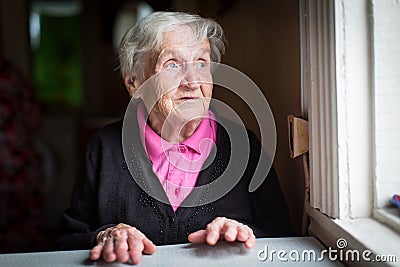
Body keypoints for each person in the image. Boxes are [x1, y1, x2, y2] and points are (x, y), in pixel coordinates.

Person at [58, 11, 290, 264]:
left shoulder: (244, 146)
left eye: (201, 63)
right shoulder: (104, 148)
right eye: (172, 65)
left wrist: (245, 235)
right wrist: (104, 235)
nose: (192, 82)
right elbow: (67, 240)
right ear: (134, 83)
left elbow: (282, 239)